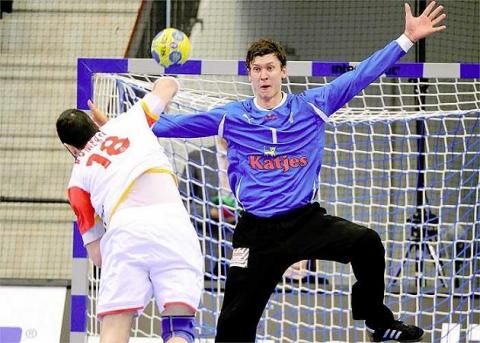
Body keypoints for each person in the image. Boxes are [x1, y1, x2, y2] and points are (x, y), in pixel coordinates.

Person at [95, 3, 447, 342]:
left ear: (283, 72)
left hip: (304, 222)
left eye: (269, 67)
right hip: (256, 232)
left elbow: (361, 75)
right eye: (256, 69)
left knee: (367, 243)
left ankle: (377, 323)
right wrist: (118, 127)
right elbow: (170, 125)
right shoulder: (232, 116)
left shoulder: (312, 106)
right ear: (249, 75)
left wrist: (406, 39)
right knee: (232, 329)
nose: (263, 75)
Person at [57, 77, 203, 343]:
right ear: (95, 123)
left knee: (114, 327)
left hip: (124, 232)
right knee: (179, 327)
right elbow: (168, 85)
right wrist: (113, 124)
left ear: (69, 148)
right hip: (173, 225)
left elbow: (98, 256)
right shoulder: (130, 120)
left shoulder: (76, 181)